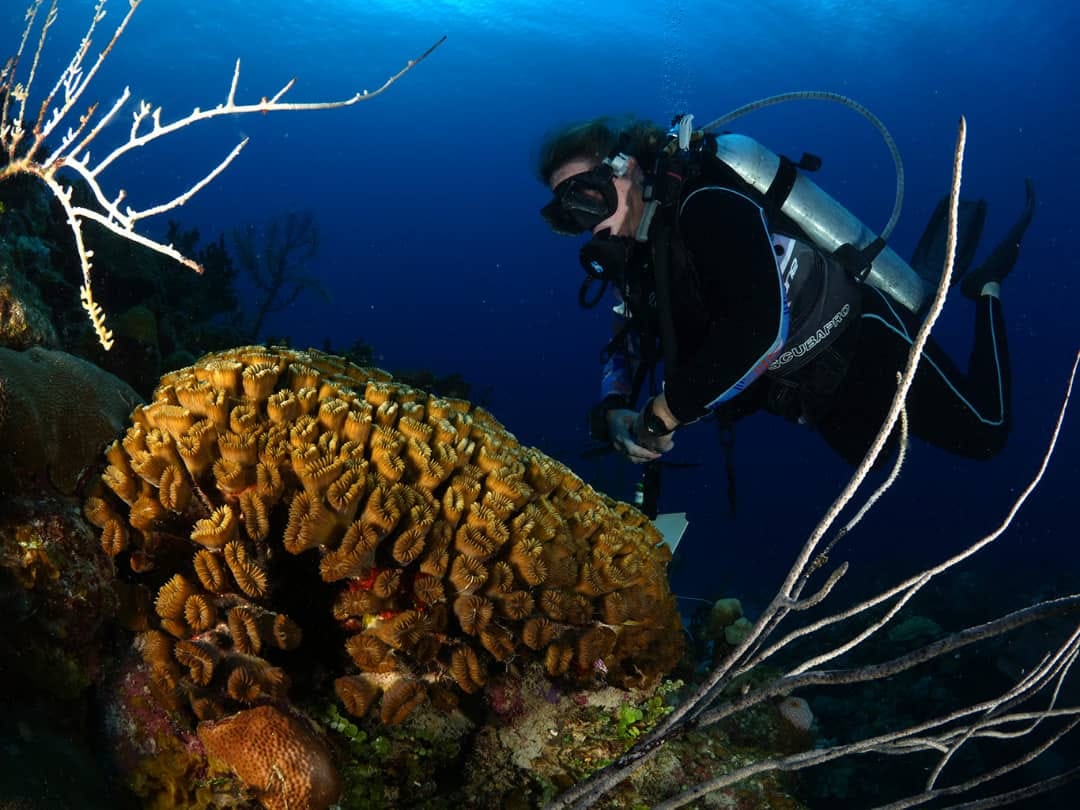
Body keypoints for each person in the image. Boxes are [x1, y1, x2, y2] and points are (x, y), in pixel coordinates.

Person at [537, 117, 1036, 472]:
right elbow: (621, 343)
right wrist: (614, 412)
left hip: (862, 340)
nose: (584, 220)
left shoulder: (705, 203)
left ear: (625, 170)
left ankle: (985, 289)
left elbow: (758, 329)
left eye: (586, 195)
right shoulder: (638, 259)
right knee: (887, 465)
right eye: (567, 213)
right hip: (811, 391)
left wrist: (666, 412)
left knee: (985, 433)